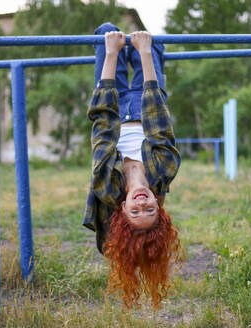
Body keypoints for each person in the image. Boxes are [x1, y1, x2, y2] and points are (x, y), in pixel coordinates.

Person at [83, 23, 182, 309]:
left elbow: (102, 122)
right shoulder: (163, 170)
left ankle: (120, 47)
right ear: (158, 206)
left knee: (105, 30)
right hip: (146, 102)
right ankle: (141, 47)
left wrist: (112, 54)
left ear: (122, 210)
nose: (142, 204)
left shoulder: (107, 183)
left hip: (113, 104)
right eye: (150, 210)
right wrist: (145, 53)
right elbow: (157, 115)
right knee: (151, 40)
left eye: (136, 211)